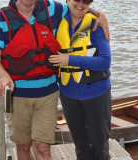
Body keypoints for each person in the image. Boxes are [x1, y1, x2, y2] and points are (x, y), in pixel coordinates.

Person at [0, 0, 110, 159]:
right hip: (18, 94)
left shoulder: (52, 8)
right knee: (23, 146)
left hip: (48, 93)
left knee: (43, 147)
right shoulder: (0, 18)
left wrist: (101, 15)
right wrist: (3, 75)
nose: (81, 2)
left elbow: (78, 8)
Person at [48, 0, 112, 159]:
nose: (81, 4)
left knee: (100, 145)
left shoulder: (96, 25)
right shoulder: (56, 20)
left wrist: (70, 60)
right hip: (69, 95)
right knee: (81, 146)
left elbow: (105, 61)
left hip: (97, 93)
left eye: (87, 1)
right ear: (67, 0)